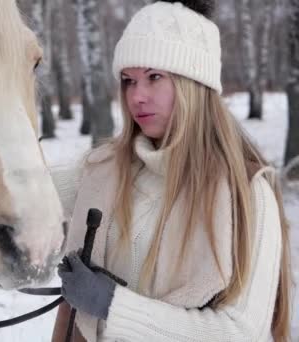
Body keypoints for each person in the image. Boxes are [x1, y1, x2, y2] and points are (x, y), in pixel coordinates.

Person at [51, 0, 293, 341]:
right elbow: (17, 196)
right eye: (128, 80)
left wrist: (111, 305)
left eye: (154, 77)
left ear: (194, 83)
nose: (137, 96)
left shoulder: (248, 194)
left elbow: (241, 332)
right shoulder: (101, 171)